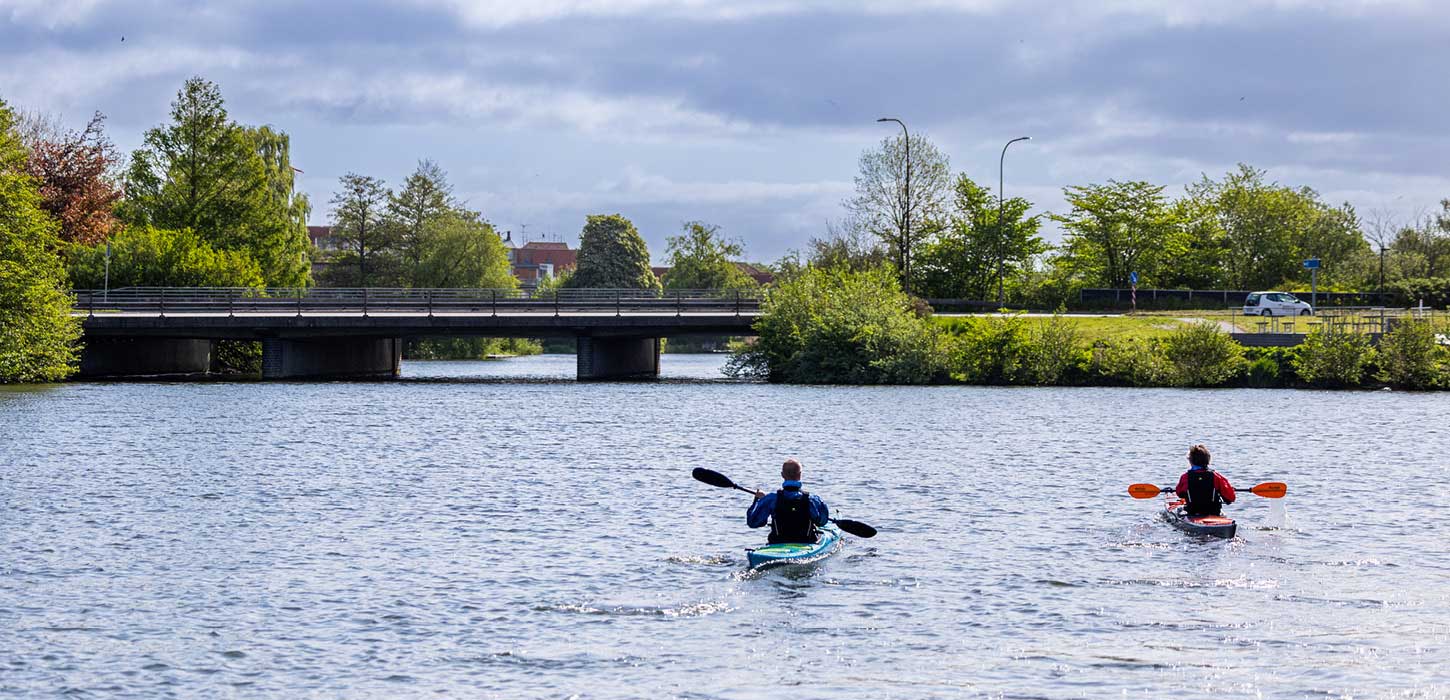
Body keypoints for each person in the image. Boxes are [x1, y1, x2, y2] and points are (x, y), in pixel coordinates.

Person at [747, 458, 830, 544]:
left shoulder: (770, 499)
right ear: (800, 475)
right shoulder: (812, 500)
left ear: (782, 475)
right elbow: (822, 522)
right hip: (806, 541)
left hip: (778, 542)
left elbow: (753, 522)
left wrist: (757, 500)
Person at [1175, 444, 1236, 516]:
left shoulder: (1185, 477)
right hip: (1214, 513)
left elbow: (1179, 493)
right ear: (1208, 460)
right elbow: (1231, 498)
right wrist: (1231, 490)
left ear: (1191, 461)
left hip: (1193, 513)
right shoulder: (1217, 477)